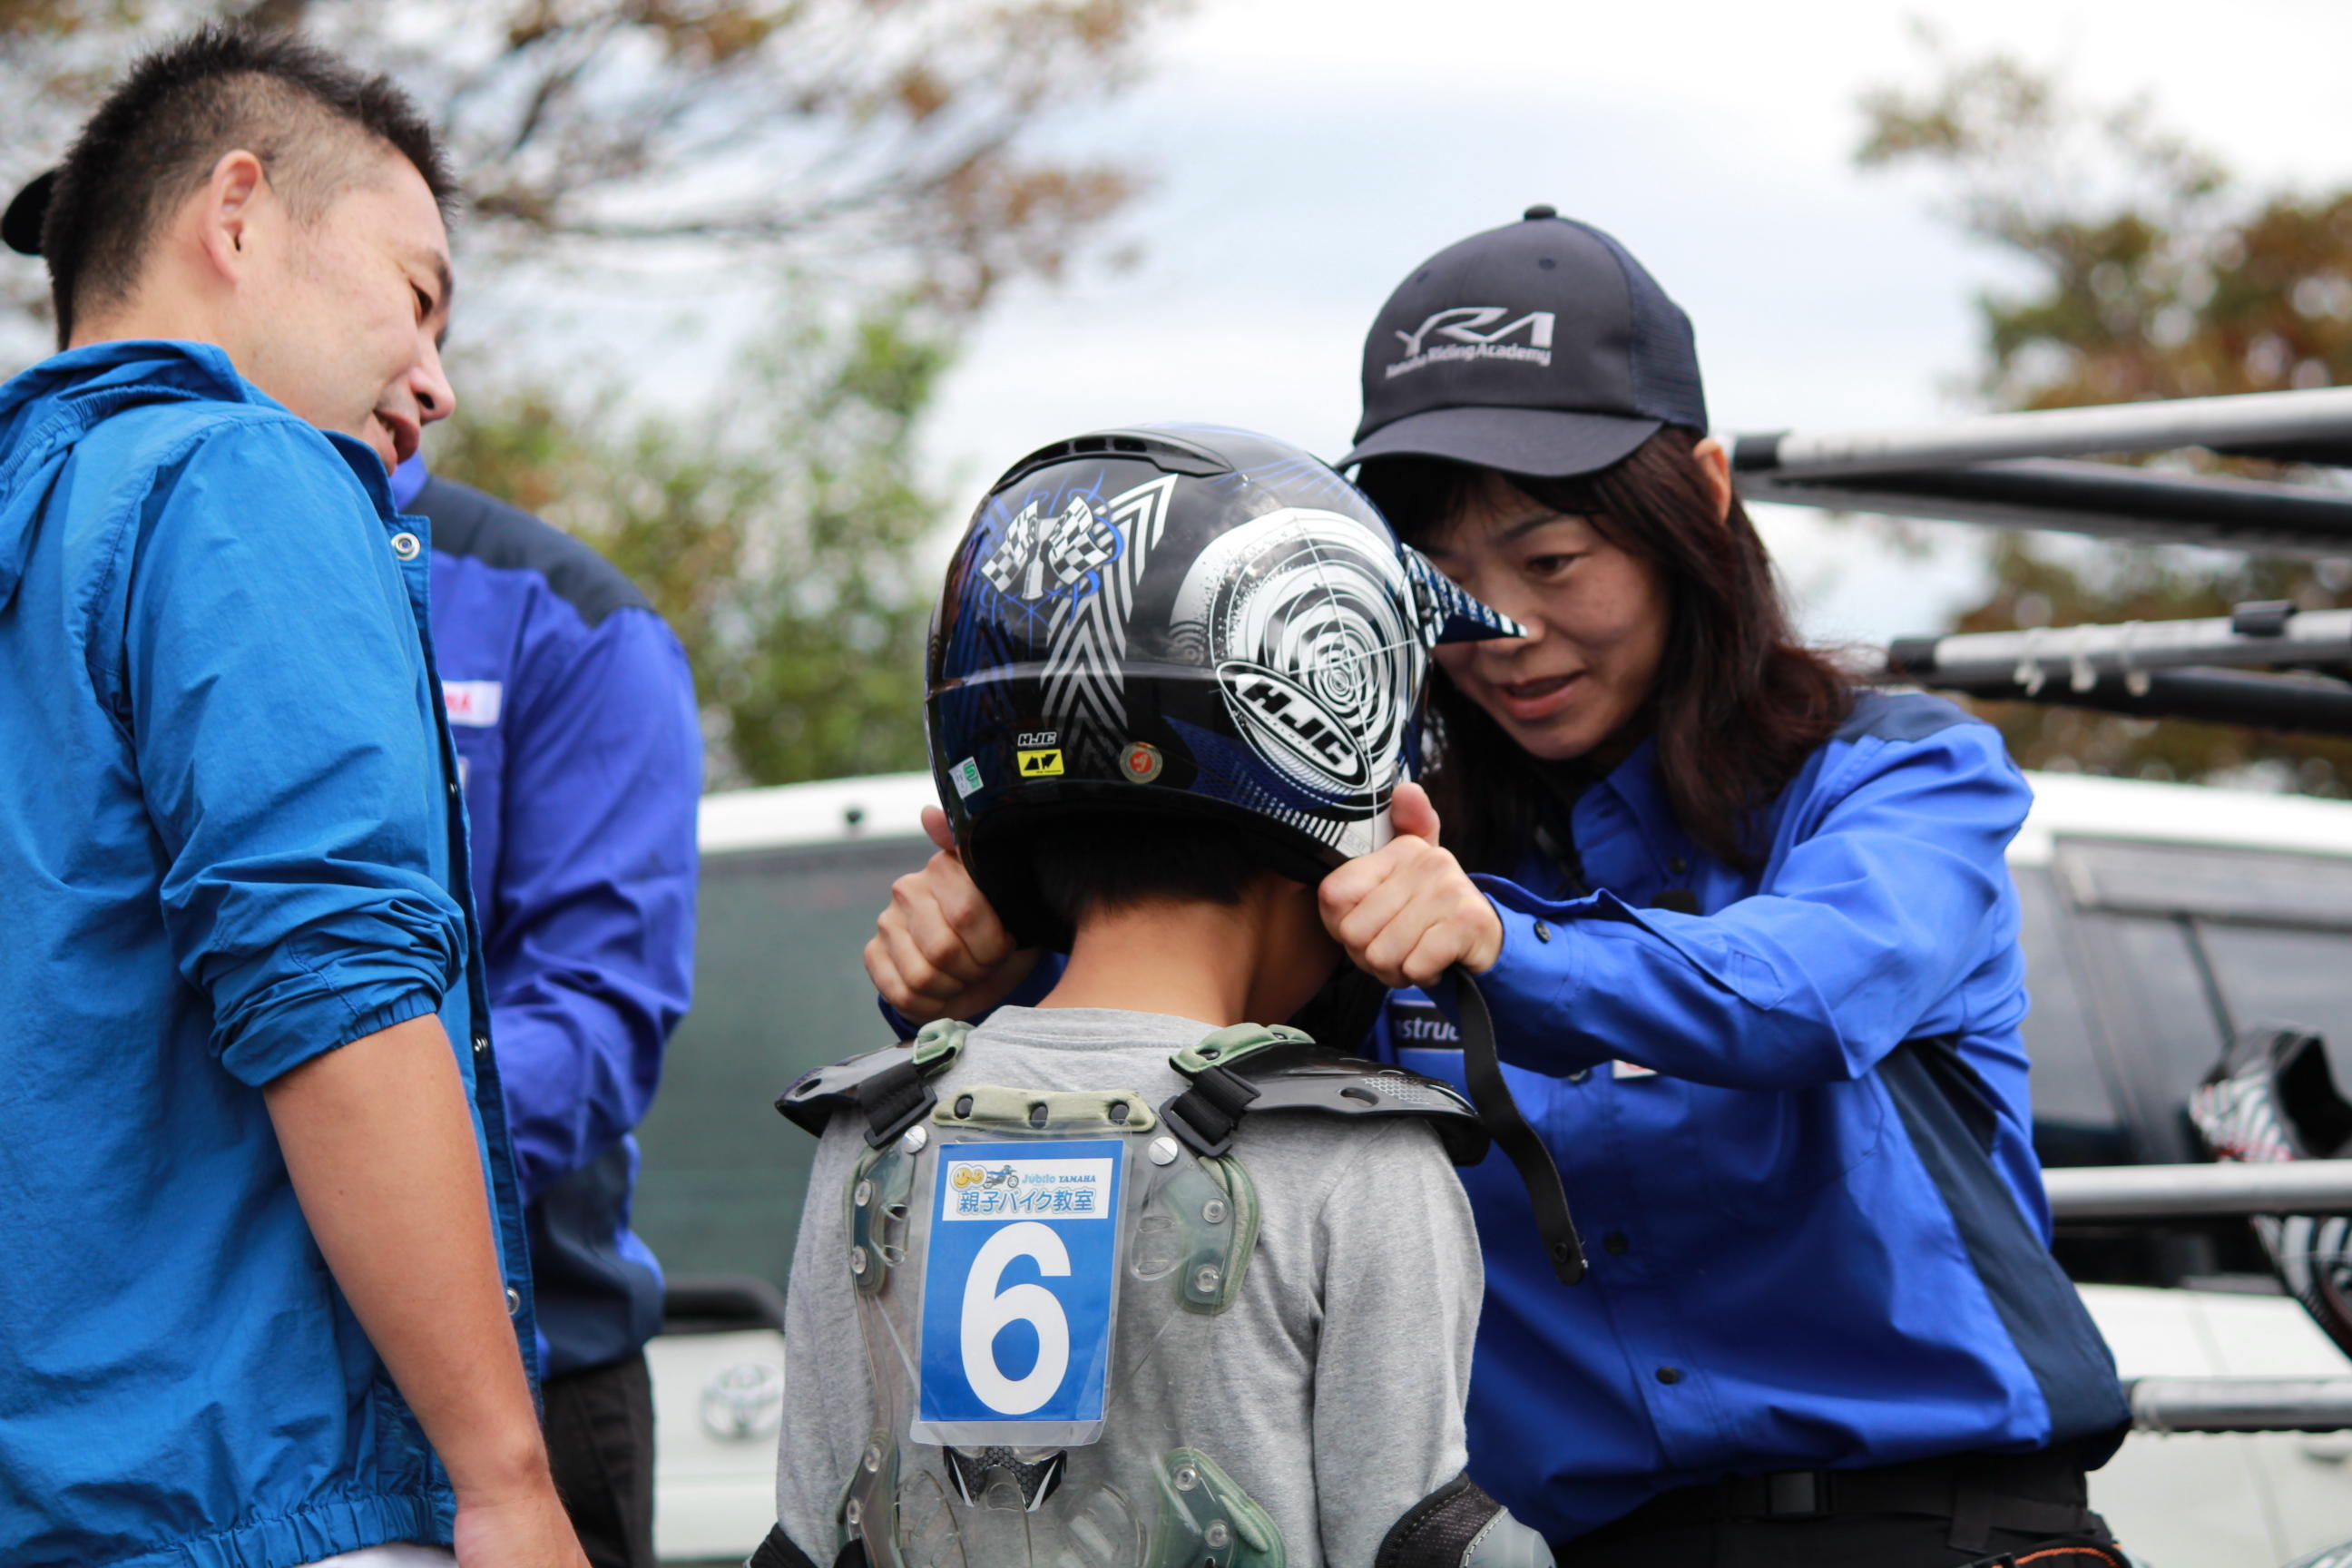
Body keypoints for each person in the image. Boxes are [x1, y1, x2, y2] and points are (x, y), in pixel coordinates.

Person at [864, 213, 2134, 1568]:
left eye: (1552, 560)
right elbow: (1166, 1042)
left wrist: (1493, 945)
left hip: (1937, 1529)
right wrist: (981, 984)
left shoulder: (1901, 777)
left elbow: (1803, 999)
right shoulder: (1363, 849)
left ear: (1701, 495)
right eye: (1448, 584)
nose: (1507, 634)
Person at [762, 424, 1555, 1568]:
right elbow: (1418, 1541)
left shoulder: (870, 1128)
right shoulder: (1363, 1158)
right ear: (1354, 786)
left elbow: (809, 1535)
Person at [0, 28, 584, 1568]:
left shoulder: (33, 526)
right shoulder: (238, 476)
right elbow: (331, 983)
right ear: (238, 214)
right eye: (420, 294)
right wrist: (506, 1479)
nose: (438, 382)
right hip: (258, 1500)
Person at [388, 450, 702, 1568]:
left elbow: (598, 1011)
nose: (433, 381)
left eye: (438, 306)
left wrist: (338, 1136)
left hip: (539, 1374)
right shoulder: (87, 555)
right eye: (408, 298)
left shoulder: (561, 612)